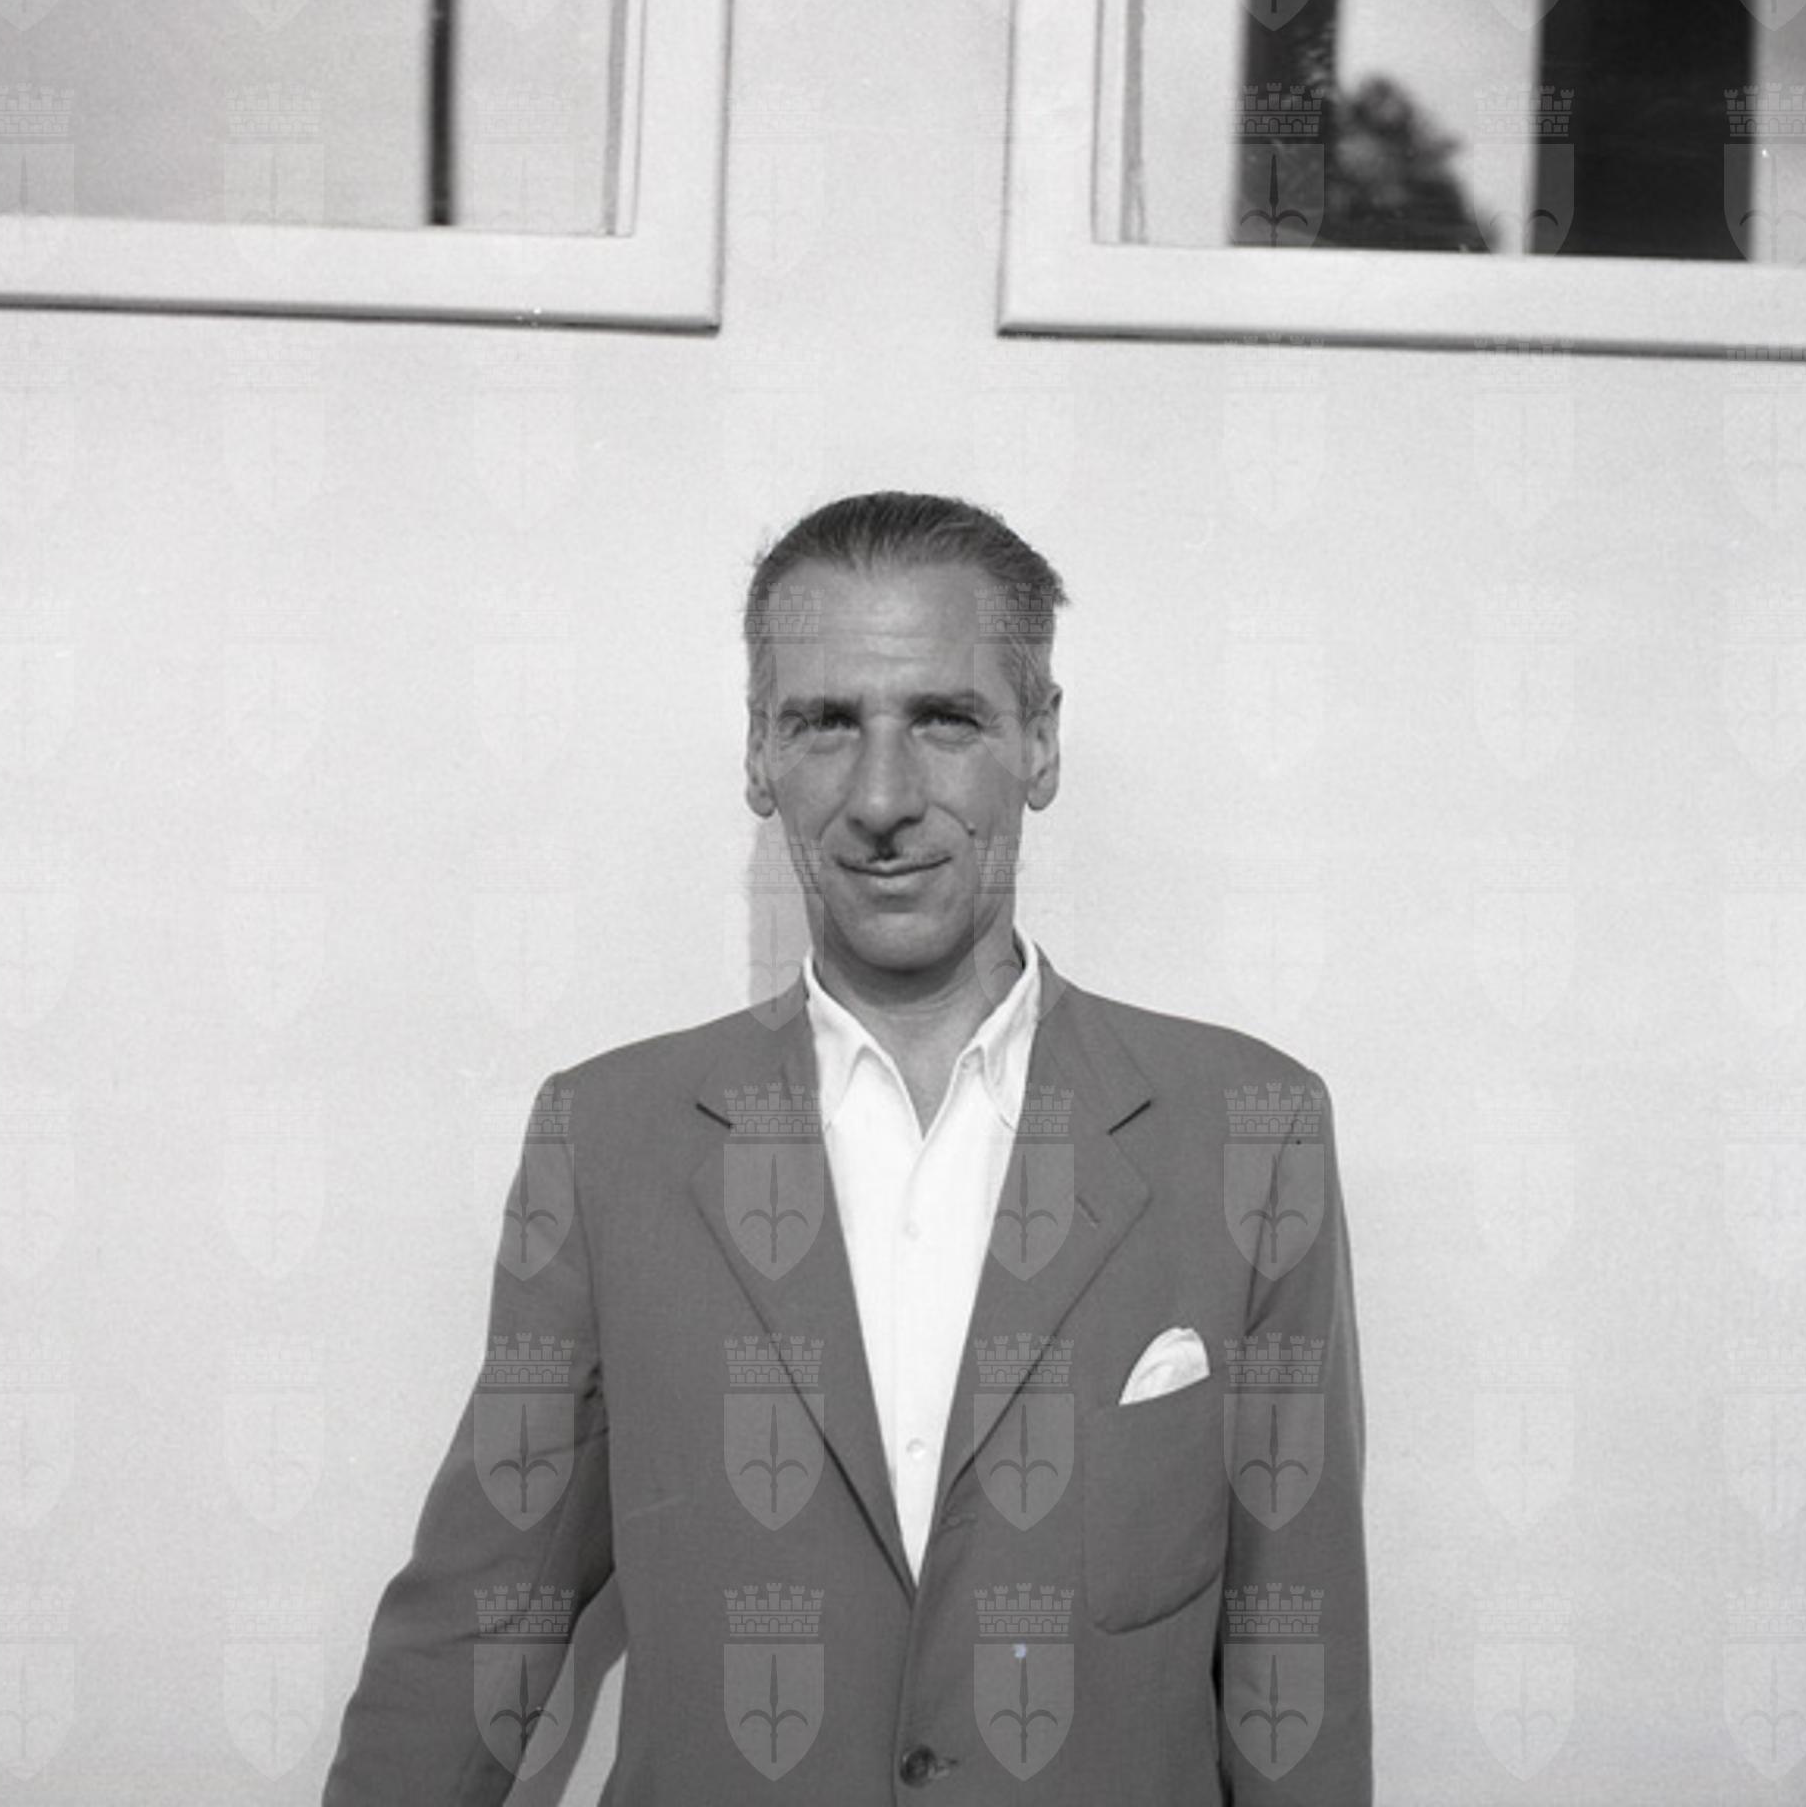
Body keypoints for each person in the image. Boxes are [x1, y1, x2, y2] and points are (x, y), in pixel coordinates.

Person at [324, 491, 1370, 1803]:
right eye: (826, 722)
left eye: (944, 719)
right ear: (758, 754)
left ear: (1040, 742)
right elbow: (481, 1621)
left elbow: (1292, 1660)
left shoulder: (1250, 1133)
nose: (882, 797)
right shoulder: (609, 1140)